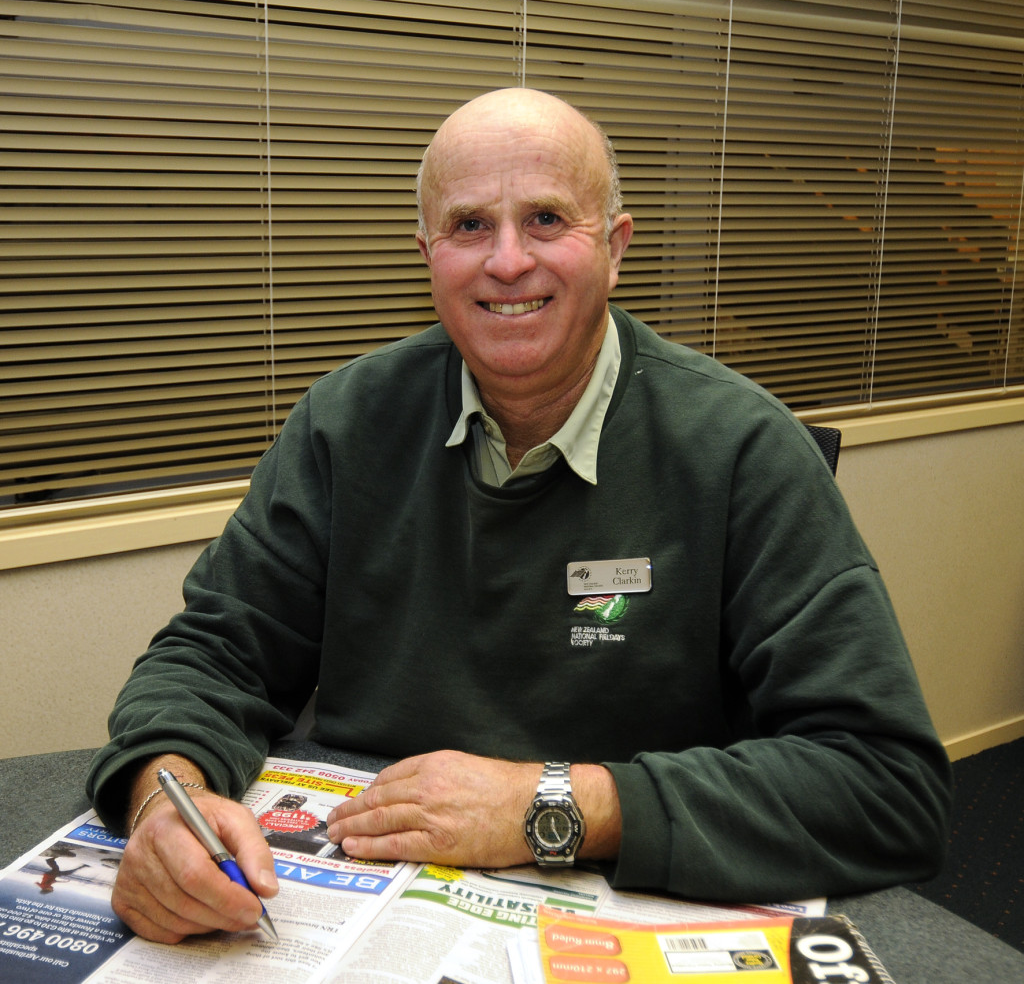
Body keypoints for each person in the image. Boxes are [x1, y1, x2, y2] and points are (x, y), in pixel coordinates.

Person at [86, 88, 952, 944]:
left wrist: (552, 804)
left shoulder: (744, 451)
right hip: (355, 899)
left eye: (545, 219)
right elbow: (212, 652)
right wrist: (172, 799)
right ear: (427, 254)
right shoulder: (344, 422)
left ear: (615, 249)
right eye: (469, 226)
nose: (506, 261)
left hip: (622, 917)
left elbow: (884, 784)